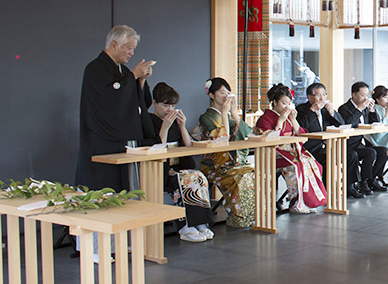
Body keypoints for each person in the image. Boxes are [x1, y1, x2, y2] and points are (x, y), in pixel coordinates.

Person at [76, 24, 155, 192]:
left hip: (122, 139)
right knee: (103, 187)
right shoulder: (95, 69)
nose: (131, 53)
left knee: (123, 188)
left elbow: (136, 102)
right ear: (114, 45)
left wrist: (140, 81)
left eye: (133, 49)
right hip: (102, 140)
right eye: (128, 48)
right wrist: (133, 75)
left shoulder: (124, 71)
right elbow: (111, 99)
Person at [148, 83, 214, 242]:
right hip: (161, 170)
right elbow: (154, 147)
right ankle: (185, 226)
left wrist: (182, 126)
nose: (169, 109)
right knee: (185, 180)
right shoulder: (148, 120)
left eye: (172, 105)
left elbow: (188, 146)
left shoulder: (174, 122)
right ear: (154, 103)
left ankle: (201, 223)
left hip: (180, 167)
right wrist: (164, 127)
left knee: (198, 177)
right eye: (165, 105)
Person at [255, 83, 327, 214]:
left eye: (288, 103)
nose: (286, 107)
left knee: (313, 164)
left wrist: (293, 121)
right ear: (274, 102)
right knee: (295, 166)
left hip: (291, 150)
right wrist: (280, 121)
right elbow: (268, 139)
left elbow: (301, 135)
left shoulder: (288, 116)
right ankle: (295, 202)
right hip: (274, 153)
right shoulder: (265, 118)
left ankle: (308, 201)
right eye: (283, 103)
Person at [198, 78, 256, 228]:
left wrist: (234, 114)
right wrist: (224, 113)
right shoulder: (206, 117)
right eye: (222, 92)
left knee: (253, 173)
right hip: (214, 164)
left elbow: (248, 134)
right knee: (239, 177)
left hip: (232, 162)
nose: (226, 96)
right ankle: (239, 217)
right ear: (211, 95)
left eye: (228, 92)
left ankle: (251, 215)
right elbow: (221, 140)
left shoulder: (229, 116)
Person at [295, 83, 369, 199]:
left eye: (324, 95)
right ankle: (324, 191)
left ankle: (350, 187)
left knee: (351, 155)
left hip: (328, 147)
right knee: (328, 160)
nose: (321, 98)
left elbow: (343, 124)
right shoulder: (301, 109)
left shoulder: (325, 110)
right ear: (309, 97)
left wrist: (332, 113)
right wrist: (312, 111)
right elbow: (301, 128)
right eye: (318, 95)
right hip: (311, 149)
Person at [338, 82, 388, 193]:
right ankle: (363, 182)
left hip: (361, 143)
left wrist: (372, 111)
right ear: (353, 95)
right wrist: (359, 109)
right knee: (370, 153)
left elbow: (375, 123)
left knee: (384, 151)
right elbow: (347, 124)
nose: (365, 98)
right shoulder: (344, 108)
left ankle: (372, 179)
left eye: (366, 95)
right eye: (362, 95)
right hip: (350, 144)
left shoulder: (366, 108)